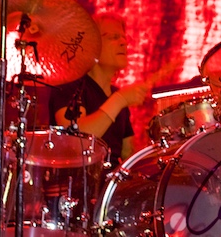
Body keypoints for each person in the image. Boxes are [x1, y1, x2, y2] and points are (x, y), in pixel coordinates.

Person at [49, 12, 152, 167]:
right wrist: (120, 100)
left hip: (111, 180)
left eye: (124, 38)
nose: (124, 42)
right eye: (114, 37)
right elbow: (76, 142)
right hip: (79, 179)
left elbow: (128, 154)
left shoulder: (117, 95)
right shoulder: (70, 85)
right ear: (92, 45)